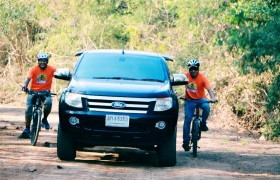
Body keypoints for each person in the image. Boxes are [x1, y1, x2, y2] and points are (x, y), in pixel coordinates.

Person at [182, 59, 216, 151]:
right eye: (191, 69)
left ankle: (203, 123)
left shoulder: (203, 78)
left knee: (206, 107)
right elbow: (177, 81)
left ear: (198, 69)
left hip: (201, 99)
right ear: (189, 69)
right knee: (187, 120)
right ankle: (185, 142)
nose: (193, 71)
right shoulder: (185, 76)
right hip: (189, 100)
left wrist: (213, 98)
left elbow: (209, 89)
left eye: (195, 69)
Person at [19, 53, 56, 139]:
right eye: (40, 61)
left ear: (47, 61)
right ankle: (27, 128)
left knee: (49, 103)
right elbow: (27, 79)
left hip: (45, 93)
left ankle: (44, 119)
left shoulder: (52, 69)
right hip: (33, 92)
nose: (42, 62)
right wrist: (24, 86)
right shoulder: (33, 69)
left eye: (44, 61)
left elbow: (59, 73)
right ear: (38, 61)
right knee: (28, 109)